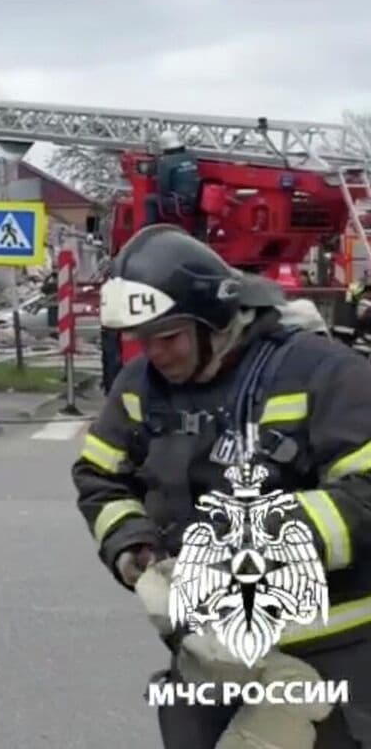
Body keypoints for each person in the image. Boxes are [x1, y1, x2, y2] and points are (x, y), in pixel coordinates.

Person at [73, 223, 371, 747]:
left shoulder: (324, 373)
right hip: (209, 651)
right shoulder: (141, 388)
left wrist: (253, 541)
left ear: (213, 320)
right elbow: (100, 477)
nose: (155, 354)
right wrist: (133, 548)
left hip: (330, 648)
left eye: (168, 337)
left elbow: (365, 493)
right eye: (143, 340)